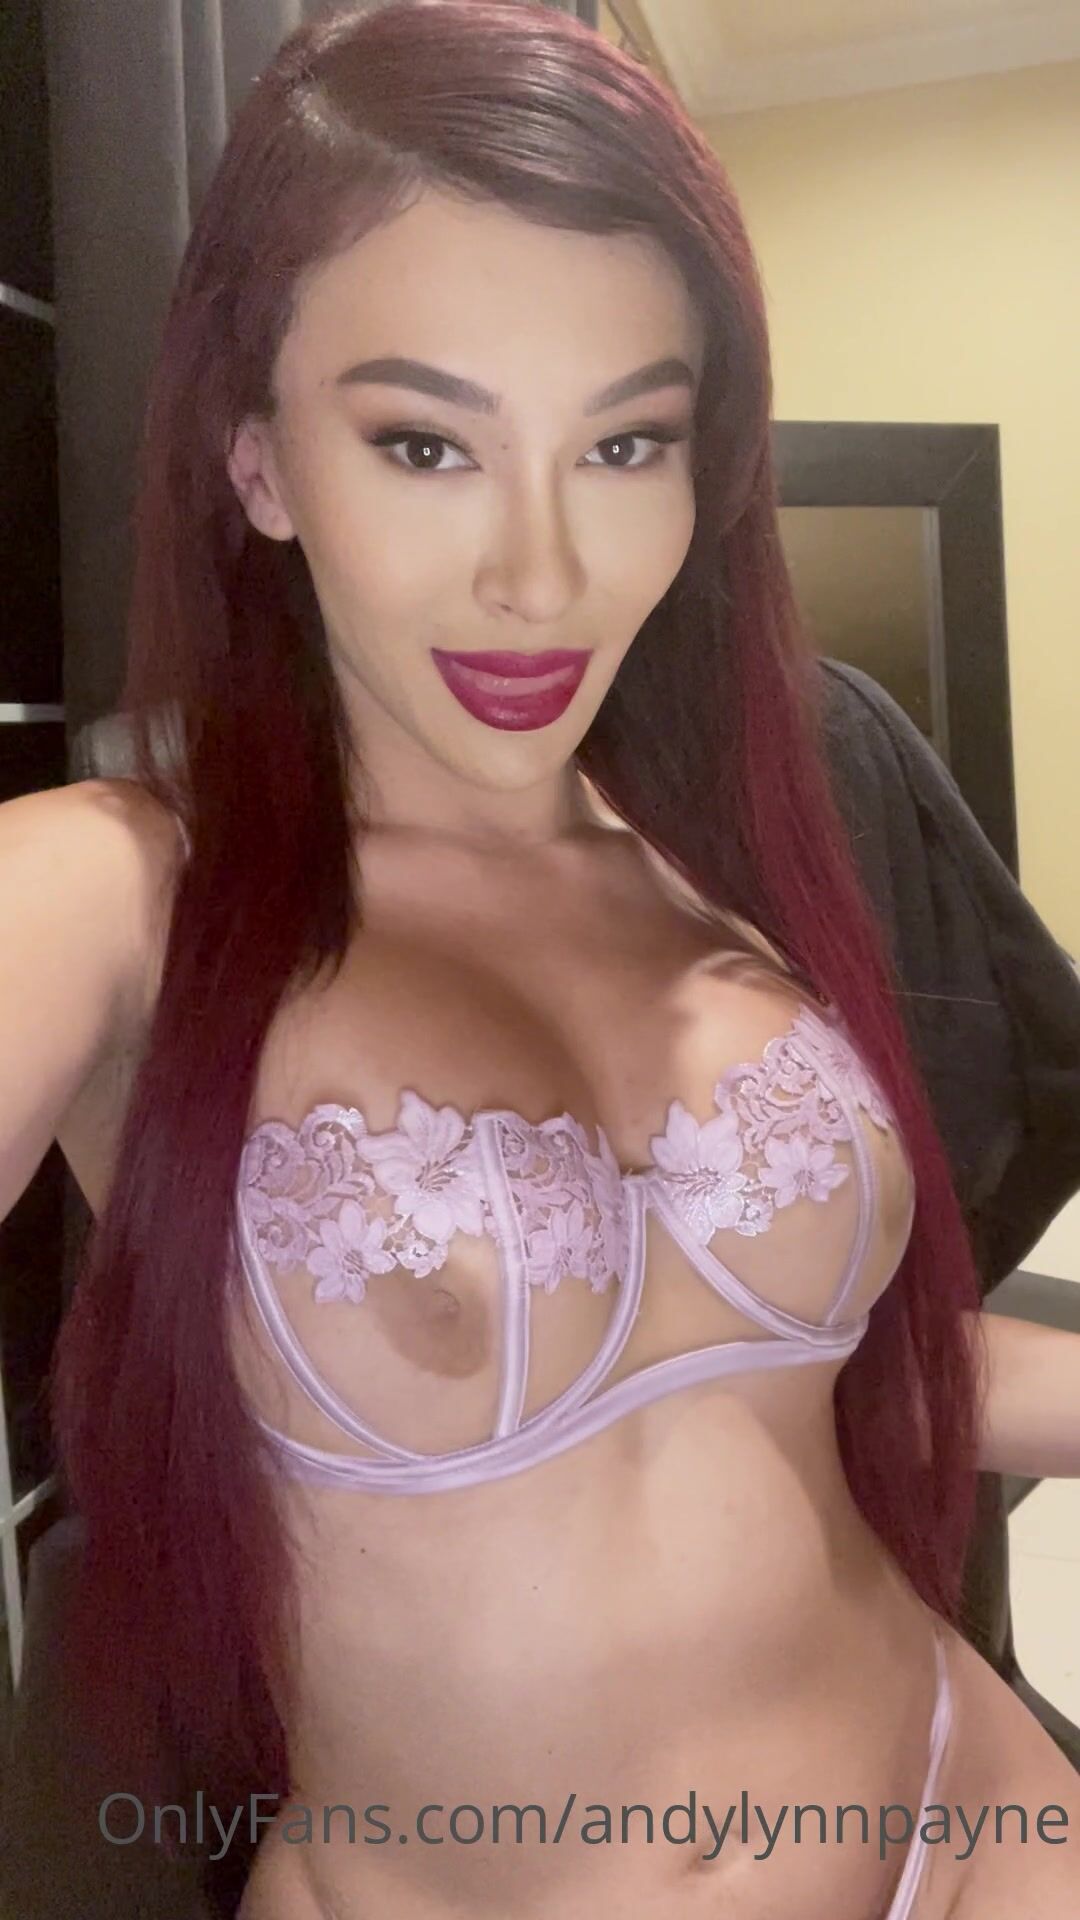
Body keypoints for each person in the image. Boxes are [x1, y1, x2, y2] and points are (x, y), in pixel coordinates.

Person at [1, 5, 1078, 1917]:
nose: (543, 571)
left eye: (624, 442)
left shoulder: (724, 854)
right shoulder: (110, 896)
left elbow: (797, 1394)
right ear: (258, 462)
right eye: (425, 442)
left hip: (973, 1820)